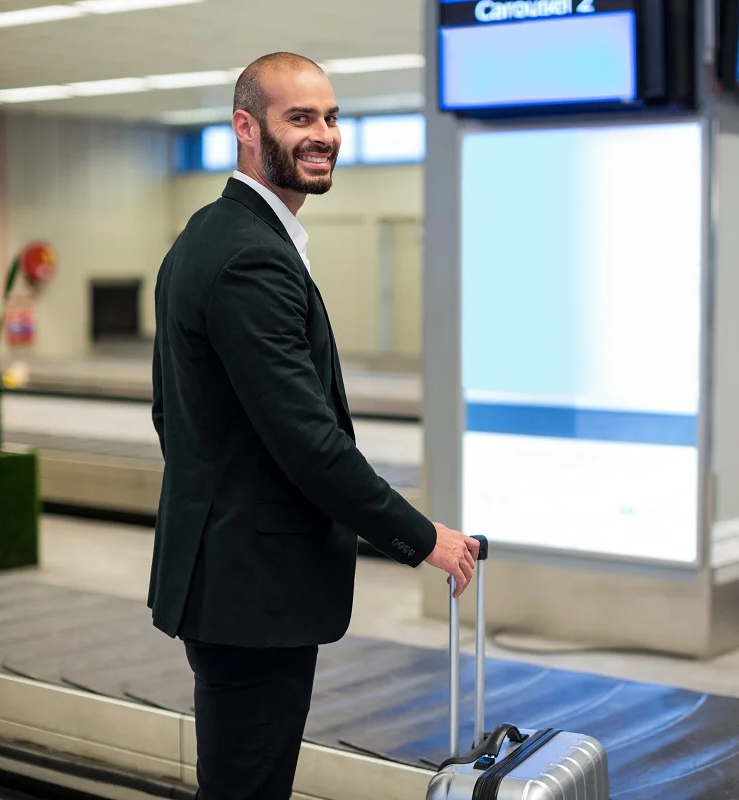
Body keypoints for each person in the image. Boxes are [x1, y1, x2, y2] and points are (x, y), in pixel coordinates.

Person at [148, 52, 480, 800]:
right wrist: (423, 538)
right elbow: (309, 441)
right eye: (300, 118)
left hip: (233, 577)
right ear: (245, 127)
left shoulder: (209, 235)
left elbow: (173, 413)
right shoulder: (249, 259)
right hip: (252, 590)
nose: (323, 134)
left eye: (331, 117)